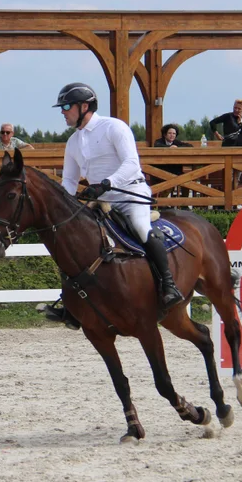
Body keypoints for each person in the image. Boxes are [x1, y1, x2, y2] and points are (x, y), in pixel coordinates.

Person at [43, 82, 184, 329]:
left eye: (66, 106)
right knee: (74, 240)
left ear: (84, 106)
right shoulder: (73, 142)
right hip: (101, 200)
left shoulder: (113, 127)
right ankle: (71, 304)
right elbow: (69, 180)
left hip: (129, 192)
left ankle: (168, 285)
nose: (63, 112)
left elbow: (131, 162)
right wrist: (61, 208)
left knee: (141, 227)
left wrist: (107, 183)